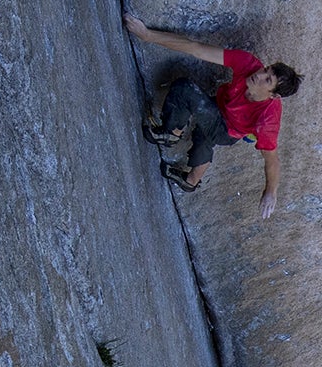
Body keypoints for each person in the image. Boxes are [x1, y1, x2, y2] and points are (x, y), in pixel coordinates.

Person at [123, 13, 299, 219]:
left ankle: (171, 133)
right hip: (219, 105)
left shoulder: (268, 119)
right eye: (266, 69)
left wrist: (270, 192)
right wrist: (147, 35)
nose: (259, 74)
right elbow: (196, 48)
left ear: (273, 95)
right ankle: (191, 181)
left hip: (227, 131)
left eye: (267, 79)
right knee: (203, 135)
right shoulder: (249, 64)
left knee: (186, 90)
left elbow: (272, 159)